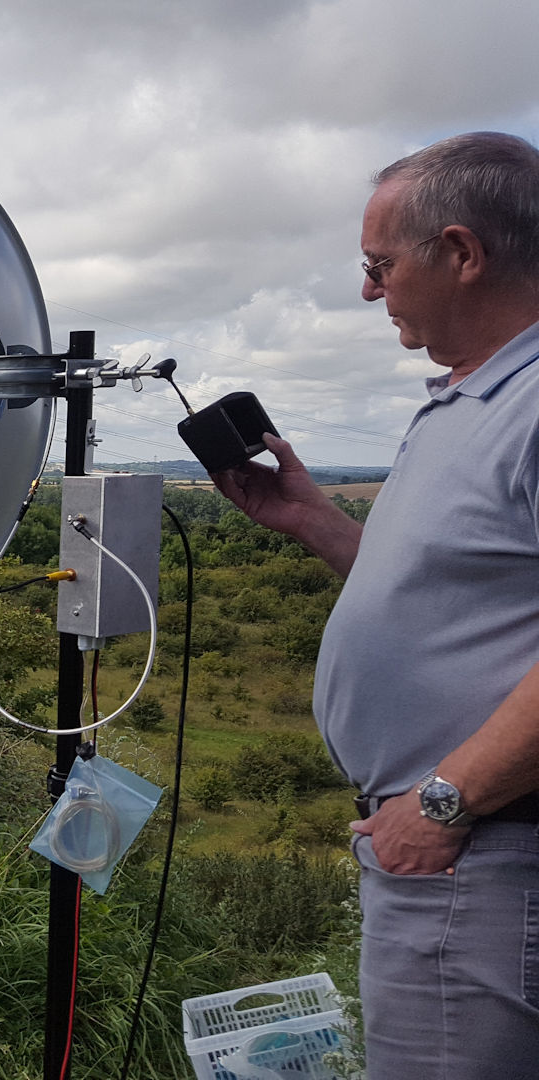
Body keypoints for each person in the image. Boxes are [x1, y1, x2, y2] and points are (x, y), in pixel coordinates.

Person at [214, 131, 539, 1077]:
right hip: (454, 857)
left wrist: (443, 802)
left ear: (463, 252)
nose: (369, 291)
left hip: (481, 852)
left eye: (379, 265)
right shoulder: (469, 398)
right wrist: (316, 522)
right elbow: (450, 597)